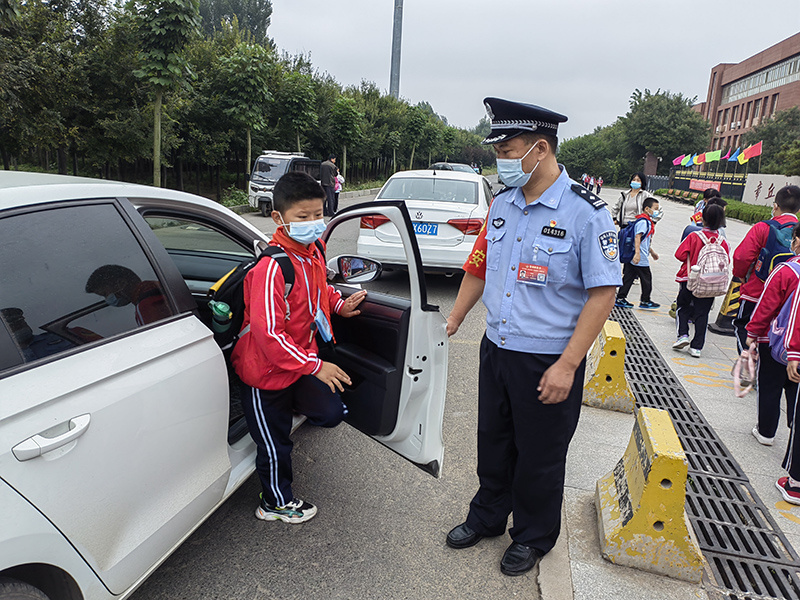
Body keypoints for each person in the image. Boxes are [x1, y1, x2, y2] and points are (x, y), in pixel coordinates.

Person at [444, 97, 620, 576]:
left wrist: (568, 364)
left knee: (540, 456)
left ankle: (533, 535)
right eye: (498, 149)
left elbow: (602, 294)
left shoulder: (587, 212)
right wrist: (455, 318)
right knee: (493, 441)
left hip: (548, 358)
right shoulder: (502, 204)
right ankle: (487, 516)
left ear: (540, 149)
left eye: (508, 148)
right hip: (497, 348)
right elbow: (479, 266)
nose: (500, 158)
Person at [230, 171, 367, 524]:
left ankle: (288, 411)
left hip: (297, 362)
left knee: (332, 412)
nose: (312, 223)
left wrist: (339, 306)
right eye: (302, 217)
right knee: (275, 445)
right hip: (264, 372)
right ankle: (274, 502)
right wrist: (315, 366)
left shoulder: (313, 251)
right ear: (279, 218)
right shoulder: (270, 269)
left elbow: (320, 292)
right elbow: (269, 335)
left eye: (318, 215)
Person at [744, 223, 800, 447]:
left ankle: (766, 431)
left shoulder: (786, 270)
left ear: (796, 240)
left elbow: (766, 305)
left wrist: (753, 333)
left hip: (775, 342)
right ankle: (794, 430)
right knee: (795, 389)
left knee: (770, 386)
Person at [732, 185, 800, 354]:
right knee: (777, 334)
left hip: (756, 291)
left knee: (743, 327)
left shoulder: (763, 227)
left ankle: (748, 362)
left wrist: (740, 276)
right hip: (790, 297)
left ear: (775, 206)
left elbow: (742, 257)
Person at [672, 204, 729, 358]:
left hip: (689, 278)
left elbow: (679, 255)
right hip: (710, 283)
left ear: (702, 219)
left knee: (683, 307)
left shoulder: (694, 236)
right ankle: (696, 347)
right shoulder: (723, 241)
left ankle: (682, 335)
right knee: (702, 314)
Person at [85, 264, 171, 326]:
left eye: (105, 294)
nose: (107, 299)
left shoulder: (145, 306)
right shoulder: (161, 287)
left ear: (121, 283)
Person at [614, 197, 661, 310]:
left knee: (629, 277)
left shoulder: (644, 221)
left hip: (636, 255)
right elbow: (638, 237)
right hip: (639, 257)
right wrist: (637, 254)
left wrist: (652, 252)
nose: (657, 211)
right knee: (646, 278)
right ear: (647, 209)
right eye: (655, 209)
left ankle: (620, 298)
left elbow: (645, 240)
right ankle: (645, 300)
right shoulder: (643, 222)